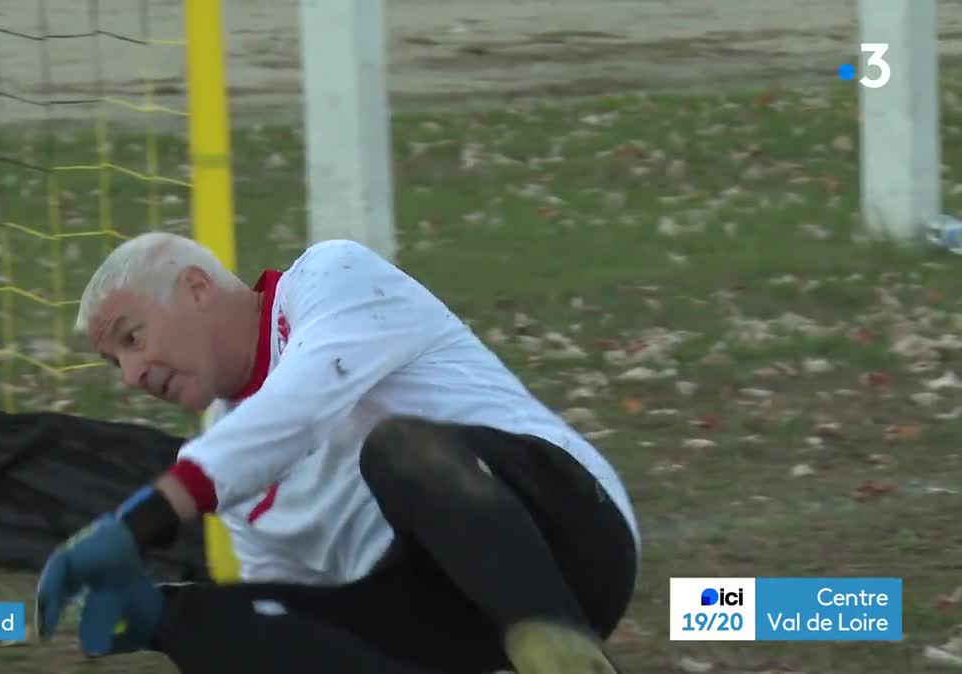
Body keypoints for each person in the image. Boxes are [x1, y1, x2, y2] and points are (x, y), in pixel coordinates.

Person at [34, 233, 641, 674]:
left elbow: (300, 404)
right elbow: (301, 616)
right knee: (213, 613)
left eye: (133, 339)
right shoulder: (232, 471)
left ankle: (556, 644)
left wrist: (146, 517)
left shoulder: (330, 277)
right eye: (117, 364)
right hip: (452, 614)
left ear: (195, 288)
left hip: (569, 536)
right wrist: (157, 616)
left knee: (401, 449)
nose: (133, 374)